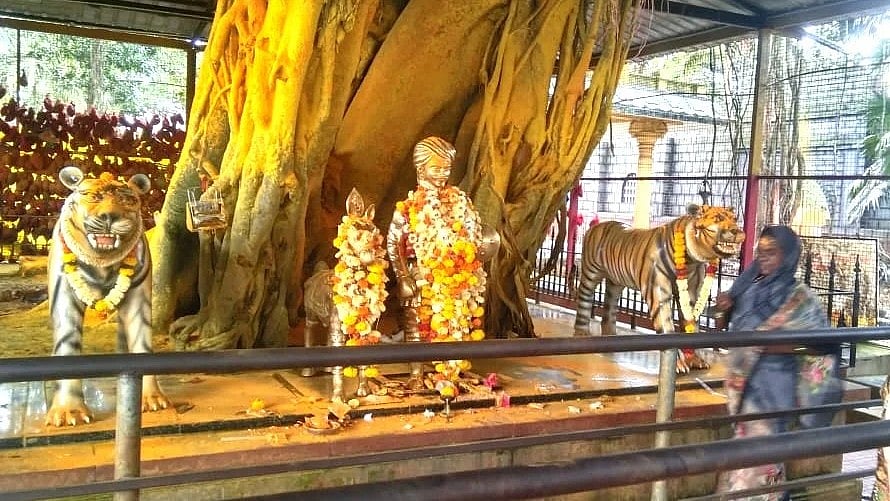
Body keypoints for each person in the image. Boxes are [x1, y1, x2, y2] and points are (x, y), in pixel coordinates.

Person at [715, 225, 842, 500]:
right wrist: (723, 311)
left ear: (788, 257)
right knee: (747, 457)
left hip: (775, 390)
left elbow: (818, 346)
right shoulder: (749, 289)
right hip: (746, 388)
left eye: (771, 252)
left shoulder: (801, 298)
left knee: (764, 459)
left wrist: (773, 346)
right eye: (760, 252)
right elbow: (727, 331)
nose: (763, 257)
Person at [386, 136, 498, 390]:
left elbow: (474, 235)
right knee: (415, 324)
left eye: (446, 168)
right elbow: (394, 243)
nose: (442, 174)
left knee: (456, 324)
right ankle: (417, 372)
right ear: (420, 169)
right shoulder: (408, 208)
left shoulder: (461, 202)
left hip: (458, 279)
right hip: (421, 274)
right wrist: (403, 277)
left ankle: (450, 372)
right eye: (436, 168)